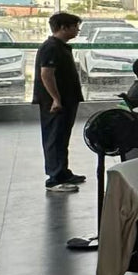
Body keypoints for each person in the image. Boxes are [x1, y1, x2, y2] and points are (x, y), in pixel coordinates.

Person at [34, 12, 85, 193]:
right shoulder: (51, 47)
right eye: (75, 27)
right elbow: (46, 74)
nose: (77, 30)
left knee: (62, 137)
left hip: (67, 99)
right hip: (55, 102)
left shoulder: (61, 47)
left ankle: (63, 172)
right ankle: (54, 179)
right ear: (63, 27)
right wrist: (56, 98)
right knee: (54, 138)